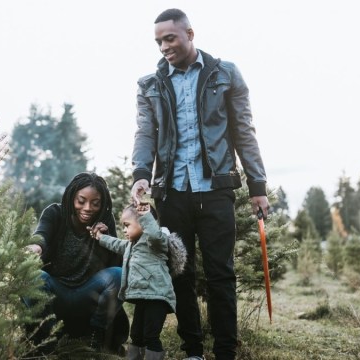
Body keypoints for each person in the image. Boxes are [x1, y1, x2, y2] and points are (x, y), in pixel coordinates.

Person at [129, 8, 270, 360]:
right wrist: (141, 173)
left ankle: (225, 352)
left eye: (170, 38)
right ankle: (193, 351)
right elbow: (146, 133)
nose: (164, 46)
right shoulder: (150, 85)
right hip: (172, 192)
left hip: (216, 190)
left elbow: (244, 132)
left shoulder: (225, 75)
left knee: (221, 274)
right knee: (181, 273)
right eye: (158, 41)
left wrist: (257, 186)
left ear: (189, 34)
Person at [26, 172, 129, 354]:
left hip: (87, 296)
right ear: (71, 196)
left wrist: (104, 239)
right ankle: (49, 341)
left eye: (95, 203)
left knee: (118, 274)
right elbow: (42, 234)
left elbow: (117, 267)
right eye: (81, 201)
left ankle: (94, 338)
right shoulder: (55, 213)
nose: (88, 208)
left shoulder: (104, 221)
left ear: (102, 203)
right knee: (35, 276)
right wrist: (36, 247)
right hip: (56, 293)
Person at [91, 203, 184, 360]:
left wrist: (146, 215)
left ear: (143, 223)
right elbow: (116, 244)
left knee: (150, 336)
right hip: (143, 297)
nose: (124, 230)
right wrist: (100, 237)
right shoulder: (131, 245)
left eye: (127, 225)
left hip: (157, 297)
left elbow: (154, 234)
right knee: (136, 335)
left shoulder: (156, 242)